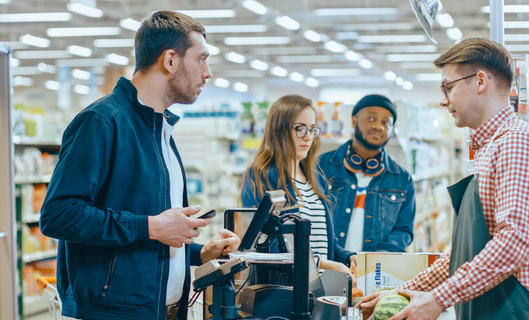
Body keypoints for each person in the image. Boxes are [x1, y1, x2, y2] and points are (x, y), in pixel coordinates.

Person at [39, 11, 240, 320]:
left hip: (162, 310)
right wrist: (152, 225)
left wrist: (200, 253)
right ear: (170, 60)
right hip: (109, 312)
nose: (208, 73)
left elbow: (146, 240)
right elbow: (58, 215)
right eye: (201, 59)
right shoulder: (103, 121)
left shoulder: (160, 131)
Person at [356, 38, 529, 320]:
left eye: (448, 87)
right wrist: (402, 293)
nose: (443, 99)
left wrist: (438, 299)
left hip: (513, 312)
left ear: (479, 82)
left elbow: (513, 243)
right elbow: (465, 252)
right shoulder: (490, 149)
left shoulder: (518, 143)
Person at [240, 94, 355, 275]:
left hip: (320, 290)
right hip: (285, 291)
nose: (308, 137)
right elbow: (263, 245)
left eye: (312, 129)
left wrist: (349, 258)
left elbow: (326, 241)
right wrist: (322, 264)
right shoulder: (261, 176)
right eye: (300, 129)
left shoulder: (317, 179)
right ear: (278, 130)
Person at [318, 94, 416, 253]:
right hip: (327, 266)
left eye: (386, 123)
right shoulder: (321, 167)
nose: (379, 126)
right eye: (371, 119)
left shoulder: (402, 179)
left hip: (375, 271)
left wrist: (382, 256)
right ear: (354, 121)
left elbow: (404, 230)